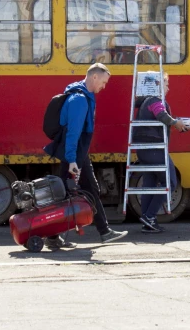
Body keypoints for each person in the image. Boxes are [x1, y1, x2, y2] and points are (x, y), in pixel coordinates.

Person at [44, 63, 128, 249]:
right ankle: (53, 235)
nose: (103, 87)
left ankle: (103, 231)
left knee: (86, 190)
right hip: (73, 154)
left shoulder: (84, 96)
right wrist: (73, 159)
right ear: (94, 77)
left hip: (78, 153)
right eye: (103, 82)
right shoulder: (79, 99)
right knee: (66, 194)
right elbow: (73, 132)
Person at [133, 72, 188, 233]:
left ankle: (147, 220)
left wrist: (176, 122)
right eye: (166, 84)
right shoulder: (156, 101)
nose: (168, 88)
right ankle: (150, 216)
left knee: (150, 184)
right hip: (155, 150)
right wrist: (175, 123)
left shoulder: (143, 102)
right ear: (157, 85)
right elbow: (161, 114)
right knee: (170, 183)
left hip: (143, 151)